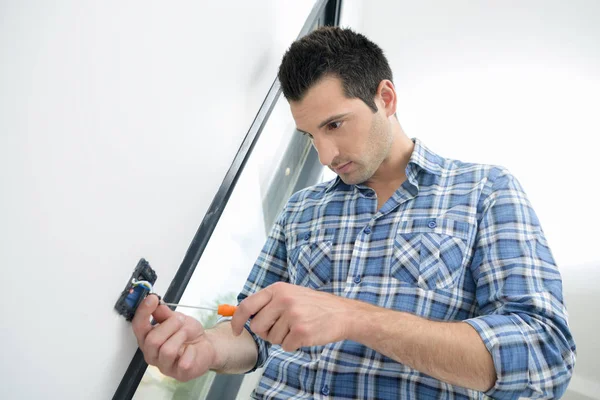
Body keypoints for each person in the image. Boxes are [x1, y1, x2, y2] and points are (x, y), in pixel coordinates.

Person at [132, 27, 576, 399]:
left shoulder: (485, 190)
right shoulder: (301, 208)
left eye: (334, 125)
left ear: (385, 98)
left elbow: (544, 359)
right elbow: (252, 332)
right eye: (309, 135)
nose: (325, 155)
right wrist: (207, 348)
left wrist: (353, 317)